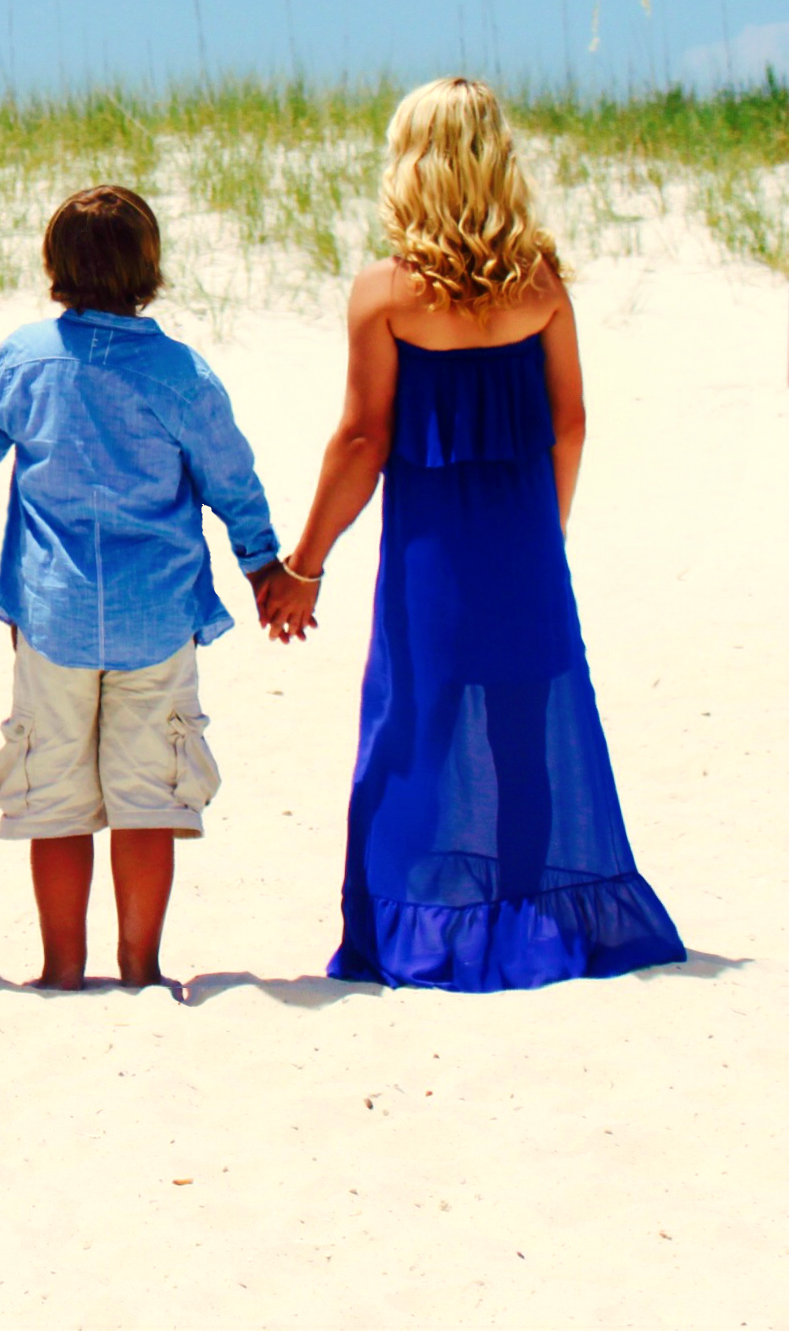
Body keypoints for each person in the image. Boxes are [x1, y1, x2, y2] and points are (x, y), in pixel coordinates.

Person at [277, 78, 684, 991]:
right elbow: (571, 423)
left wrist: (305, 564)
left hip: (432, 554)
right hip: (525, 542)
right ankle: (530, 914)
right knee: (524, 731)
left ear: (410, 164)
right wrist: (551, 530)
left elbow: (362, 438)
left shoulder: (385, 293)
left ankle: (407, 934)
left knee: (407, 727)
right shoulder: (542, 284)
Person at [0, 187, 304, 991]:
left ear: (54, 268)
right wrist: (264, 568)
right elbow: (232, 480)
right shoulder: (182, 371)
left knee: (54, 795)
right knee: (150, 796)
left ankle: (61, 967)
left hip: (52, 617)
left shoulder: (28, 357)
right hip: (158, 618)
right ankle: (141, 968)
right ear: (151, 272)